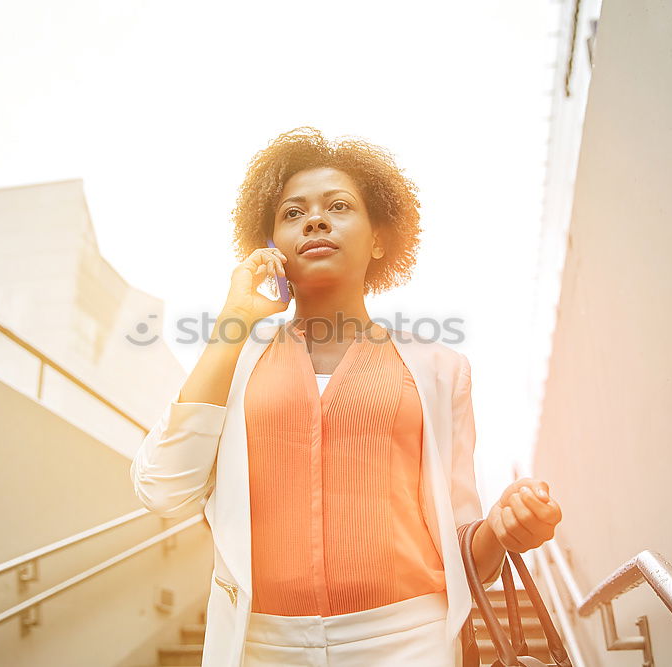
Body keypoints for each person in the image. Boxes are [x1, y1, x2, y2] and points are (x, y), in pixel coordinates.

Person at [131, 126, 563, 667]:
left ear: (379, 238)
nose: (313, 220)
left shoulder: (439, 369)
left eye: (338, 206)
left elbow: (463, 548)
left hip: (409, 641)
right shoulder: (233, 359)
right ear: (270, 248)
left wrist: (502, 528)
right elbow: (163, 490)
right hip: (262, 645)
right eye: (291, 213)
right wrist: (232, 324)